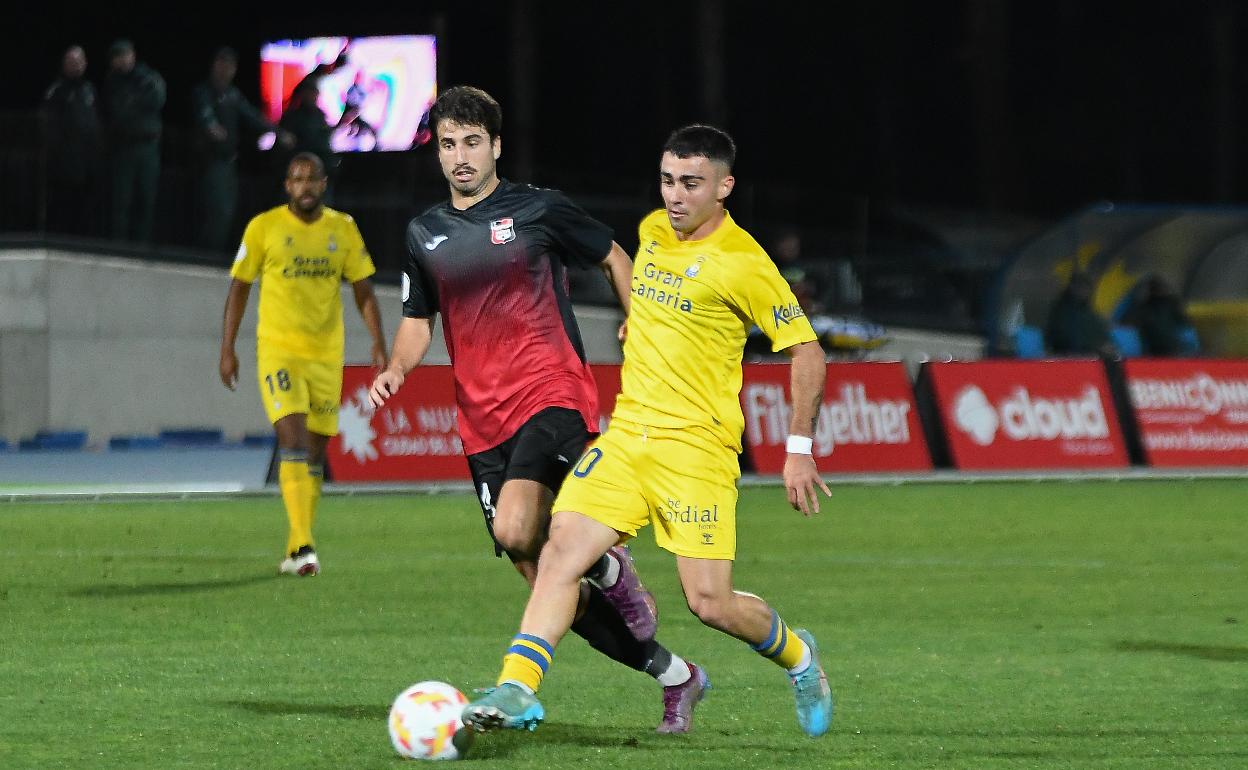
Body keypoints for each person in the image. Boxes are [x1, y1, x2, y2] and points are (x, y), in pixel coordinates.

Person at [462, 125, 834, 738]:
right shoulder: (653, 231)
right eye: (667, 181)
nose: (675, 196)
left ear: (724, 187)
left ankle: (799, 657)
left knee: (709, 603)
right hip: (629, 436)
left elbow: (809, 353)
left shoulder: (745, 264)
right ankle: (518, 689)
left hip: (697, 451)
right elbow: (648, 294)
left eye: (691, 183)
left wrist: (797, 450)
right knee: (558, 555)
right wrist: (644, 325)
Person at [367, 86, 708, 733]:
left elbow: (612, 254)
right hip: (480, 423)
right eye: (448, 144)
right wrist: (395, 368)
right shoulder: (424, 233)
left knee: (516, 527)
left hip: (551, 394)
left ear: (495, 145)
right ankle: (678, 676)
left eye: (472, 142)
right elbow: (418, 320)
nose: (460, 156)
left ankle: (602, 571)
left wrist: (640, 319)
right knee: (553, 589)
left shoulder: (537, 209)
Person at [219, 152, 387, 576]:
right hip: (279, 351)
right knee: (291, 439)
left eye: (312, 179)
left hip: (325, 356)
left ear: (323, 185)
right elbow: (239, 288)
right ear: (286, 186)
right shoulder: (264, 228)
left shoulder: (342, 229)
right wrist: (228, 348)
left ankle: (296, 547)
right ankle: (306, 546)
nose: (305, 186)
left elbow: (363, 290)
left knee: (313, 452)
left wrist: (379, 343)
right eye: (297, 179)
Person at [191, 47, 294, 252]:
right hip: (209, 161)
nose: (224, 69)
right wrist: (211, 127)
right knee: (216, 211)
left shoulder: (233, 95)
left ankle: (213, 254)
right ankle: (205, 256)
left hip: (228, 163)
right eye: (221, 64)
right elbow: (204, 115)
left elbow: (252, 116)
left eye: (229, 65)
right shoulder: (204, 92)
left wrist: (278, 131)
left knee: (226, 212)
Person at [101, 39, 165, 243]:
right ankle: (119, 244)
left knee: (146, 199)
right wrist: (136, 103)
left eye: (126, 55)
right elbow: (119, 111)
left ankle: (142, 245)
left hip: (148, 147)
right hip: (125, 147)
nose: (123, 60)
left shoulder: (147, 77)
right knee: (122, 200)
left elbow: (157, 99)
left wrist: (135, 102)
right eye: (118, 56)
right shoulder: (113, 81)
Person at [42, 45, 102, 236]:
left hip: (87, 164)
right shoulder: (56, 90)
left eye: (79, 61)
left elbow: (96, 122)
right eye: (71, 61)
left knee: (85, 209)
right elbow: (49, 127)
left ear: (84, 64)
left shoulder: (89, 90)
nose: (75, 65)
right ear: (64, 64)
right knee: (62, 207)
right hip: (63, 164)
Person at [1045, 272, 1117, 357]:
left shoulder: (1087, 310)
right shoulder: (1061, 311)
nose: (1084, 292)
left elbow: (1100, 331)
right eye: (1081, 288)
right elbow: (1067, 339)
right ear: (1072, 288)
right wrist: (1096, 347)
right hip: (1069, 356)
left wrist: (1106, 345)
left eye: (1086, 288)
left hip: (1091, 355)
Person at [1123, 274, 1196, 356]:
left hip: (1163, 347)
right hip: (1161, 347)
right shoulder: (1147, 306)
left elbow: (1183, 322)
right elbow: (1184, 324)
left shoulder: (1167, 304)